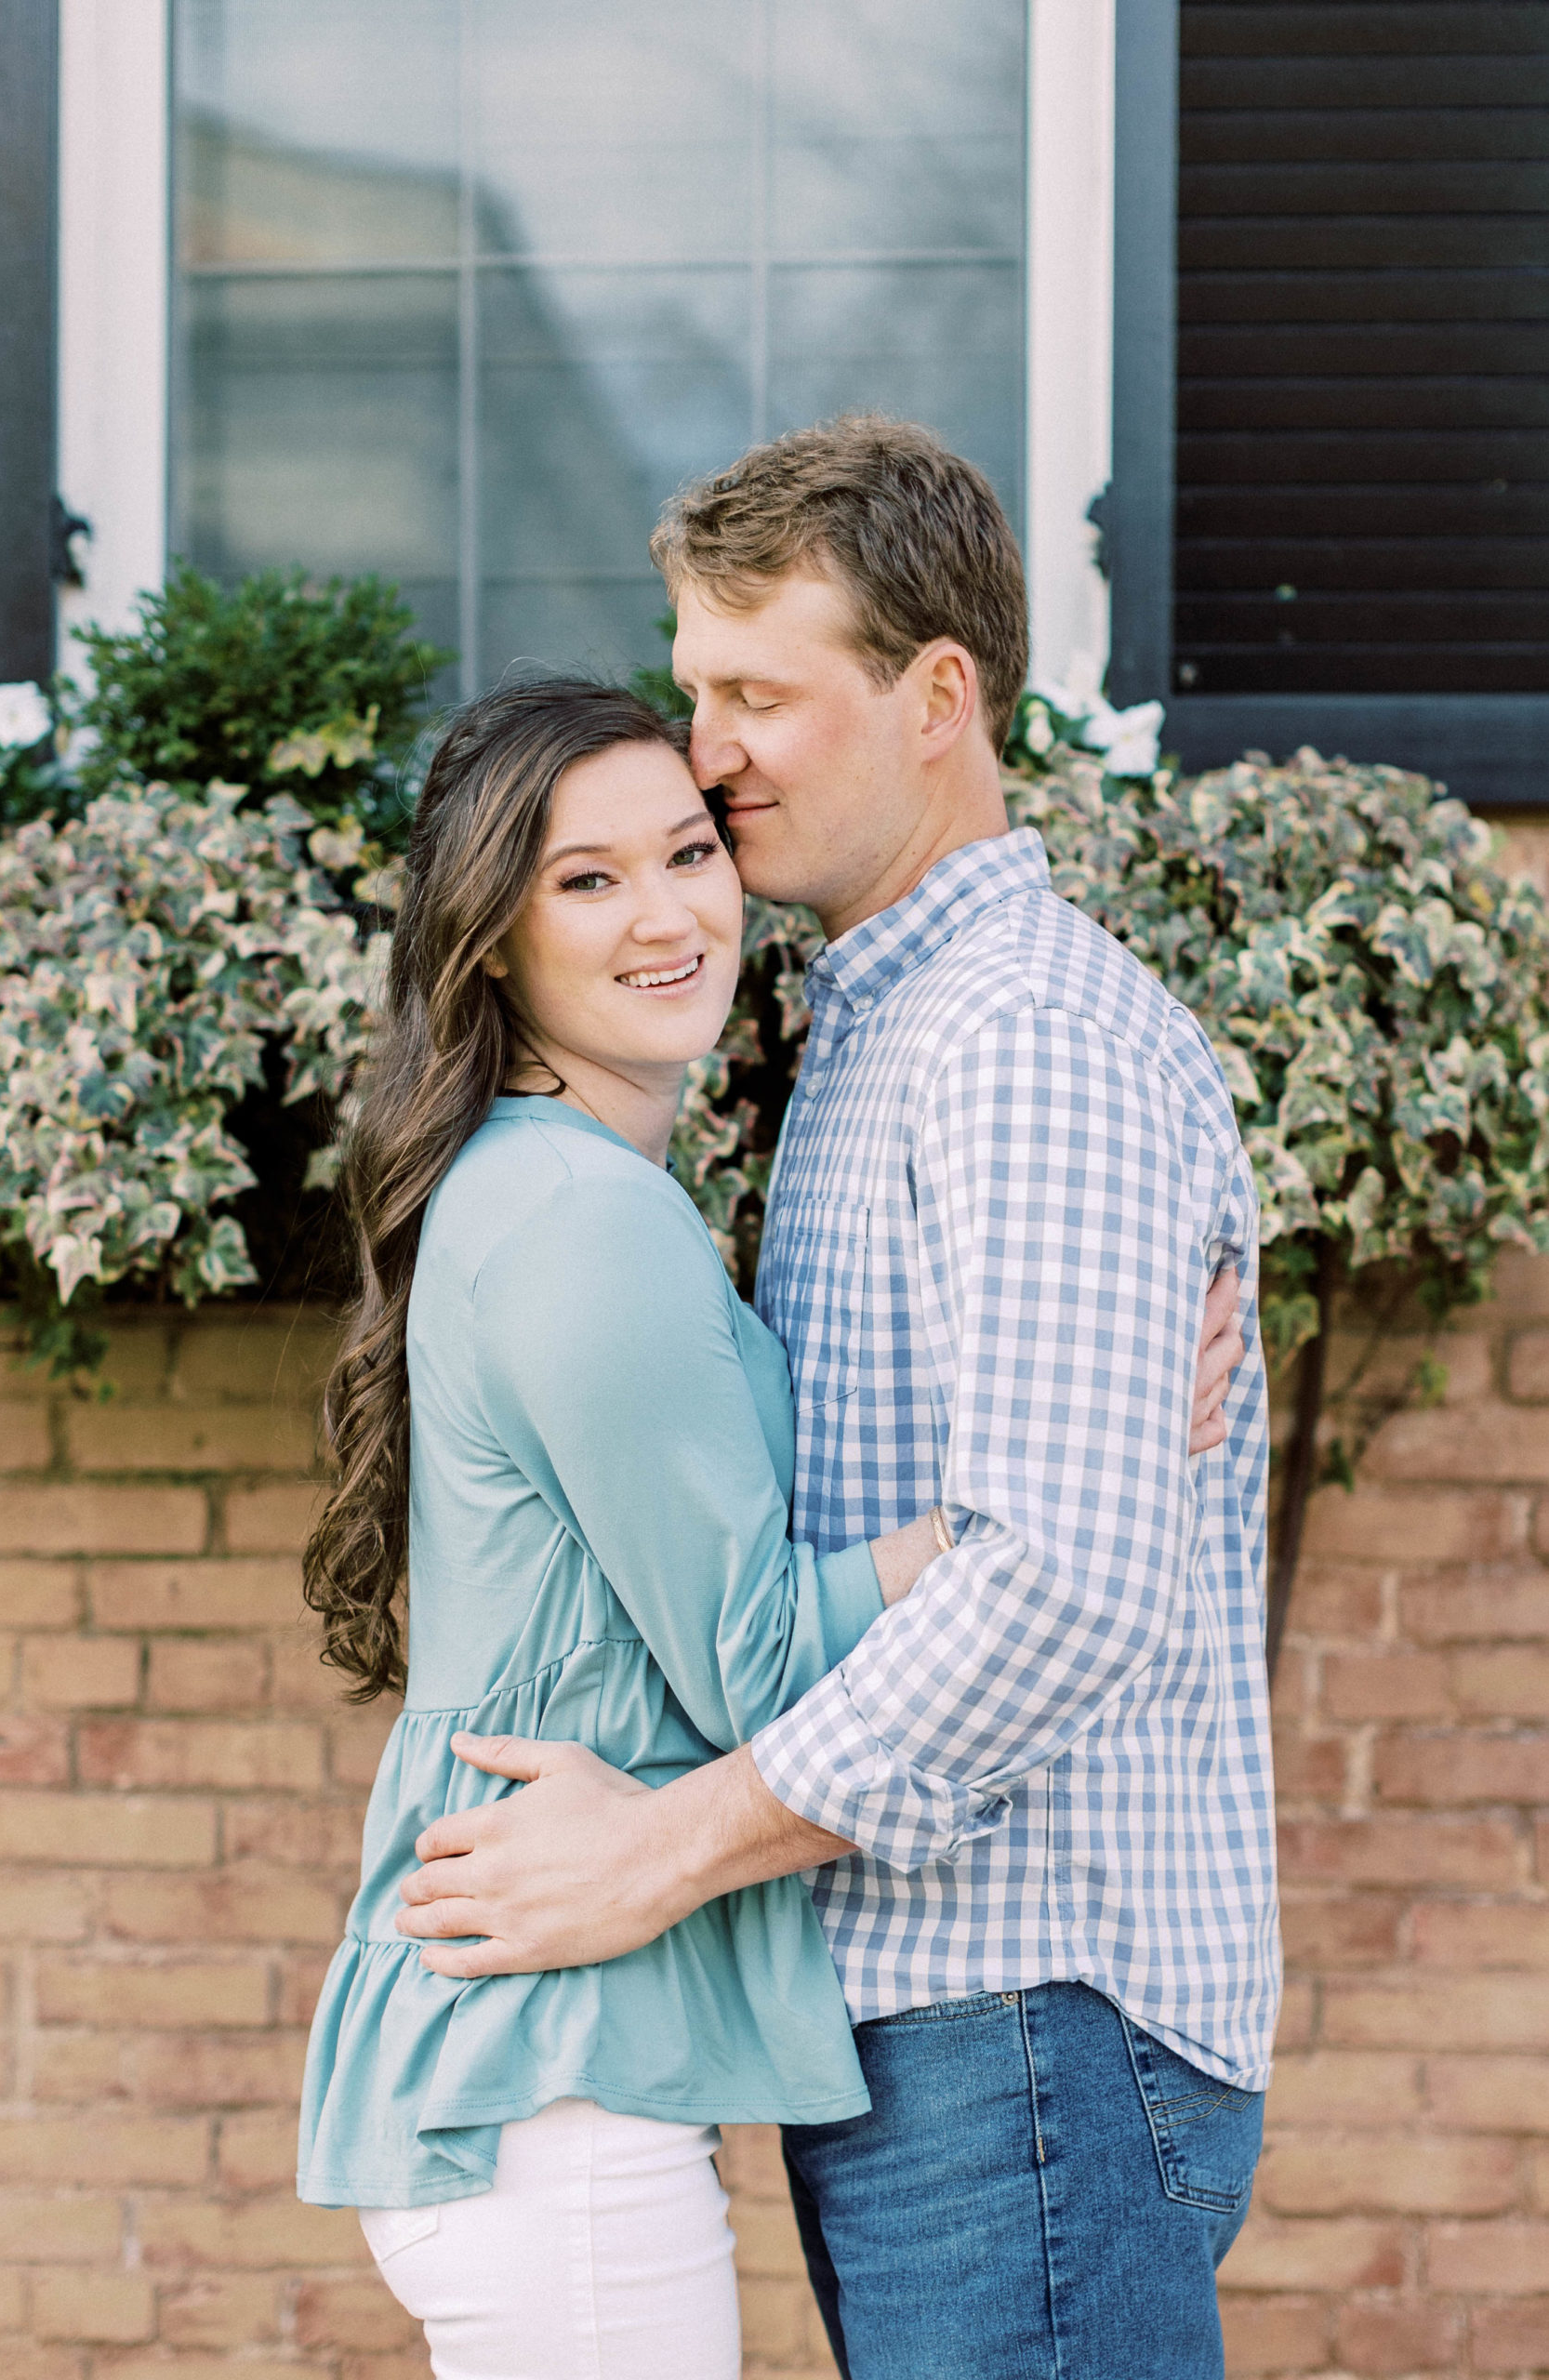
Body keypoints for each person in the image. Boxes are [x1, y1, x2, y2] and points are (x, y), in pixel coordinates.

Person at [390, 417, 1278, 2380]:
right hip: (937, 2016)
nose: (704, 747)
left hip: (1022, 2009)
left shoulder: (1017, 1041)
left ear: (935, 694)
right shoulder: (872, 1024)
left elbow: (1062, 1579)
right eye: (691, 682)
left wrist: (666, 1842)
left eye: (752, 693)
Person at [298, 680, 959, 2380]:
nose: (669, 914)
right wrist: (989, 1528)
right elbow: (750, 1671)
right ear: (490, 940)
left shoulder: (556, 1189)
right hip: (549, 2096)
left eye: (687, 852)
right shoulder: (586, 1220)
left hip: (547, 2078)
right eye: (588, 880)